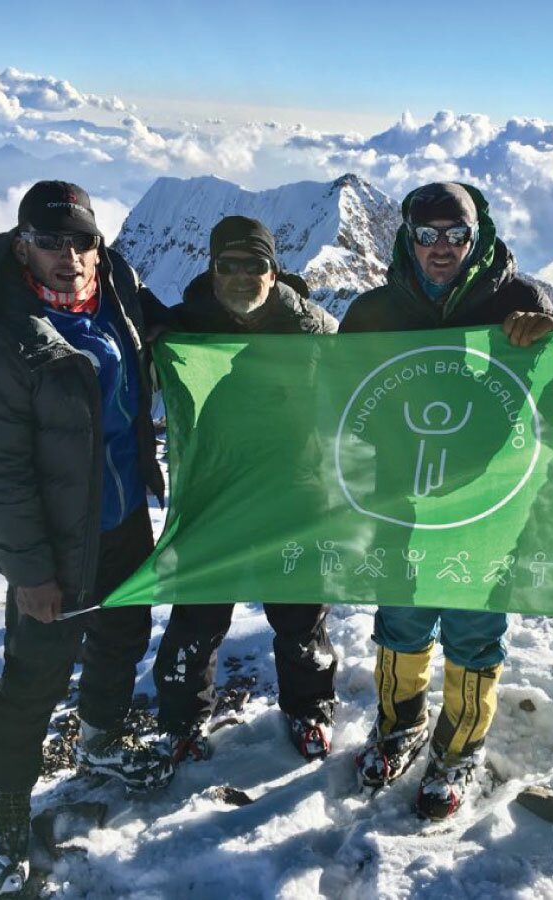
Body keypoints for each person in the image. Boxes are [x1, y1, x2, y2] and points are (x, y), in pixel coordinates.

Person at [0, 181, 172, 897]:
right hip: (52, 541)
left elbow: (185, 330)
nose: (69, 256)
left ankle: (101, 736)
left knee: (121, 635)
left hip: (123, 516)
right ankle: (4, 796)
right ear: (22, 246)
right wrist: (30, 573)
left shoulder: (119, 292)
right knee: (38, 669)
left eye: (81, 240)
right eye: (50, 242)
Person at [340, 182, 553, 819]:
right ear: (407, 238)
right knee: (403, 617)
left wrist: (549, 332)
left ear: (477, 237)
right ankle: (399, 724)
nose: (442, 247)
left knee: (473, 626)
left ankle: (459, 746)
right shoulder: (374, 311)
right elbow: (335, 396)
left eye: (456, 234)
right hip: (398, 496)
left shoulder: (517, 301)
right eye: (428, 234)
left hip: (488, 502)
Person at [149, 215, 340, 763]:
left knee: (301, 614)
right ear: (210, 270)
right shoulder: (184, 326)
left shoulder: (314, 329)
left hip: (295, 491)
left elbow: (367, 372)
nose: (240, 276)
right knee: (198, 614)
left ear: (274, 270)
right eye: (226, 265)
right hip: (214, 490)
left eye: (253, 264)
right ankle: (183, 720)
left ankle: (310, 709)